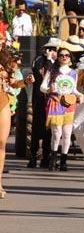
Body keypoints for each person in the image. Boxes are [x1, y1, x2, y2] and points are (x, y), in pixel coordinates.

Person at [41, 40, 82, 171]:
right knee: (56, 133)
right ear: (58, 57)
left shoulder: (74, 73)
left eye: (67, 55)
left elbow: (74, 89)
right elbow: (42, 87)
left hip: (69, 104)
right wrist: (50, 90)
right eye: (61, 55)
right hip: (55, 103)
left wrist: (79, 95)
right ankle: (53, 161)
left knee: (67, 134)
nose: (64, 57)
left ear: (70, 57)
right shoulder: (52, 71)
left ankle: (63, 161)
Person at [0, 46, 31, 197]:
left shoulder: (5, 64)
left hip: (2, 102)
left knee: (1, 144)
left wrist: (25, 81)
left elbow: (13, 83)